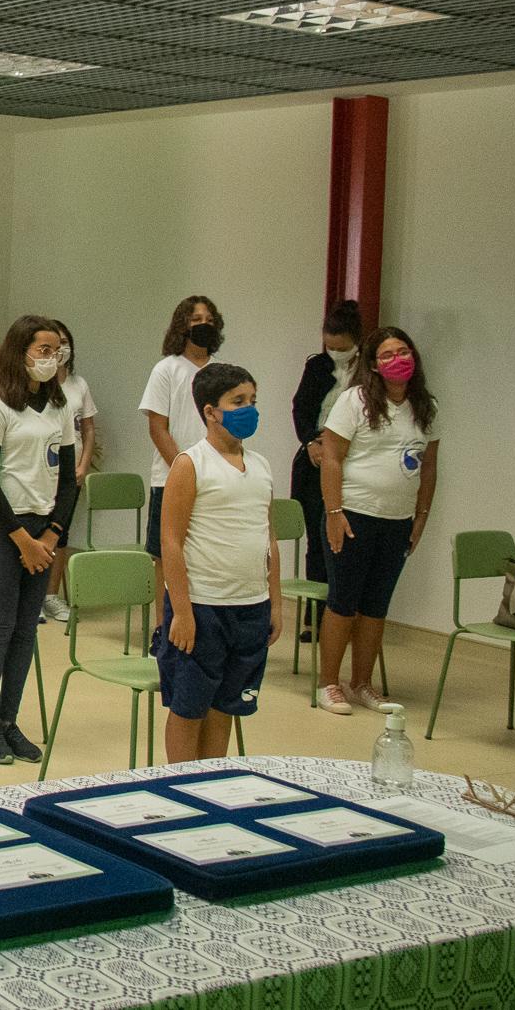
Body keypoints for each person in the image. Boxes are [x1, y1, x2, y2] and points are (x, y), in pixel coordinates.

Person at [157, 362, 280, 762]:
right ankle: (179, 787)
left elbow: (269, 540)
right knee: (189, 706)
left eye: (253, 400)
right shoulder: (191, 464)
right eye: (238, 401)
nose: (249, 409)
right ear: (210, 411)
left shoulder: (260, 466)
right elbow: (171, 542)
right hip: (203, 607)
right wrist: (183, 612)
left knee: (227, 704)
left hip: (250, 606)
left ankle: (212, 784)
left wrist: (275, 603)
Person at [0, 315, 80, 765]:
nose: (51, 358)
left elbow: (70, 480)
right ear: (20, 352)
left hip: (43, 528)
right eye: (43, 349)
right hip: (5, 527)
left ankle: (10, 721)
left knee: (26, 628)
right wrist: (22, 539)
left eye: (57, 350)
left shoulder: (60, 406)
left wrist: (52, 533)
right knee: (0, 625)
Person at [316, 326, 439, 715]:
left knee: (376, 606)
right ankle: (329, 684)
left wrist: (420, 517)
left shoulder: (425, 407)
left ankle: (362, 683)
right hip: (352, 515)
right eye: (387, 354)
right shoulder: (354, 400)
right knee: (343, 602)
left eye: (403, 351)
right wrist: (334, 513)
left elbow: (429, 468)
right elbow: (331, 458)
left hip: (397, 519)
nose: (397, 359)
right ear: (373, 364)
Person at [139, 296, 223, 622]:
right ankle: (164, 628)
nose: (203, 324)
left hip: (214, 480)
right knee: (166, 555)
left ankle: (199, 624)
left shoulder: (222, 371)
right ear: (182, 326)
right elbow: (158, 428)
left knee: (204, 556)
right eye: (195, 319)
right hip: (172, 478)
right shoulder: (167, 369)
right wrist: (184, 469)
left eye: (208, 319)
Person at [290, 301, 365, 604]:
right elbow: (301, 409)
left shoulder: (368, 370)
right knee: (317, 540)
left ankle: (344, 608)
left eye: (342, 348)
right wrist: (310, 441)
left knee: (348, 539)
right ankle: (315, 613)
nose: (335, 353)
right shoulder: (316, 366)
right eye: (330, 346)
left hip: (353, 456)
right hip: (316, 453)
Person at [41, 319, 98, 622]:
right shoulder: (36, 382)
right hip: (39, 473)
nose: (60, 348)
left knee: (60, 533)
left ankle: (51, 595)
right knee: (36, 530)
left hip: (70, 472)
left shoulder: (79, 385)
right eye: (53, 343)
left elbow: (88, 429)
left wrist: (84, 464)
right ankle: (31, 598)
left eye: (65, 341)